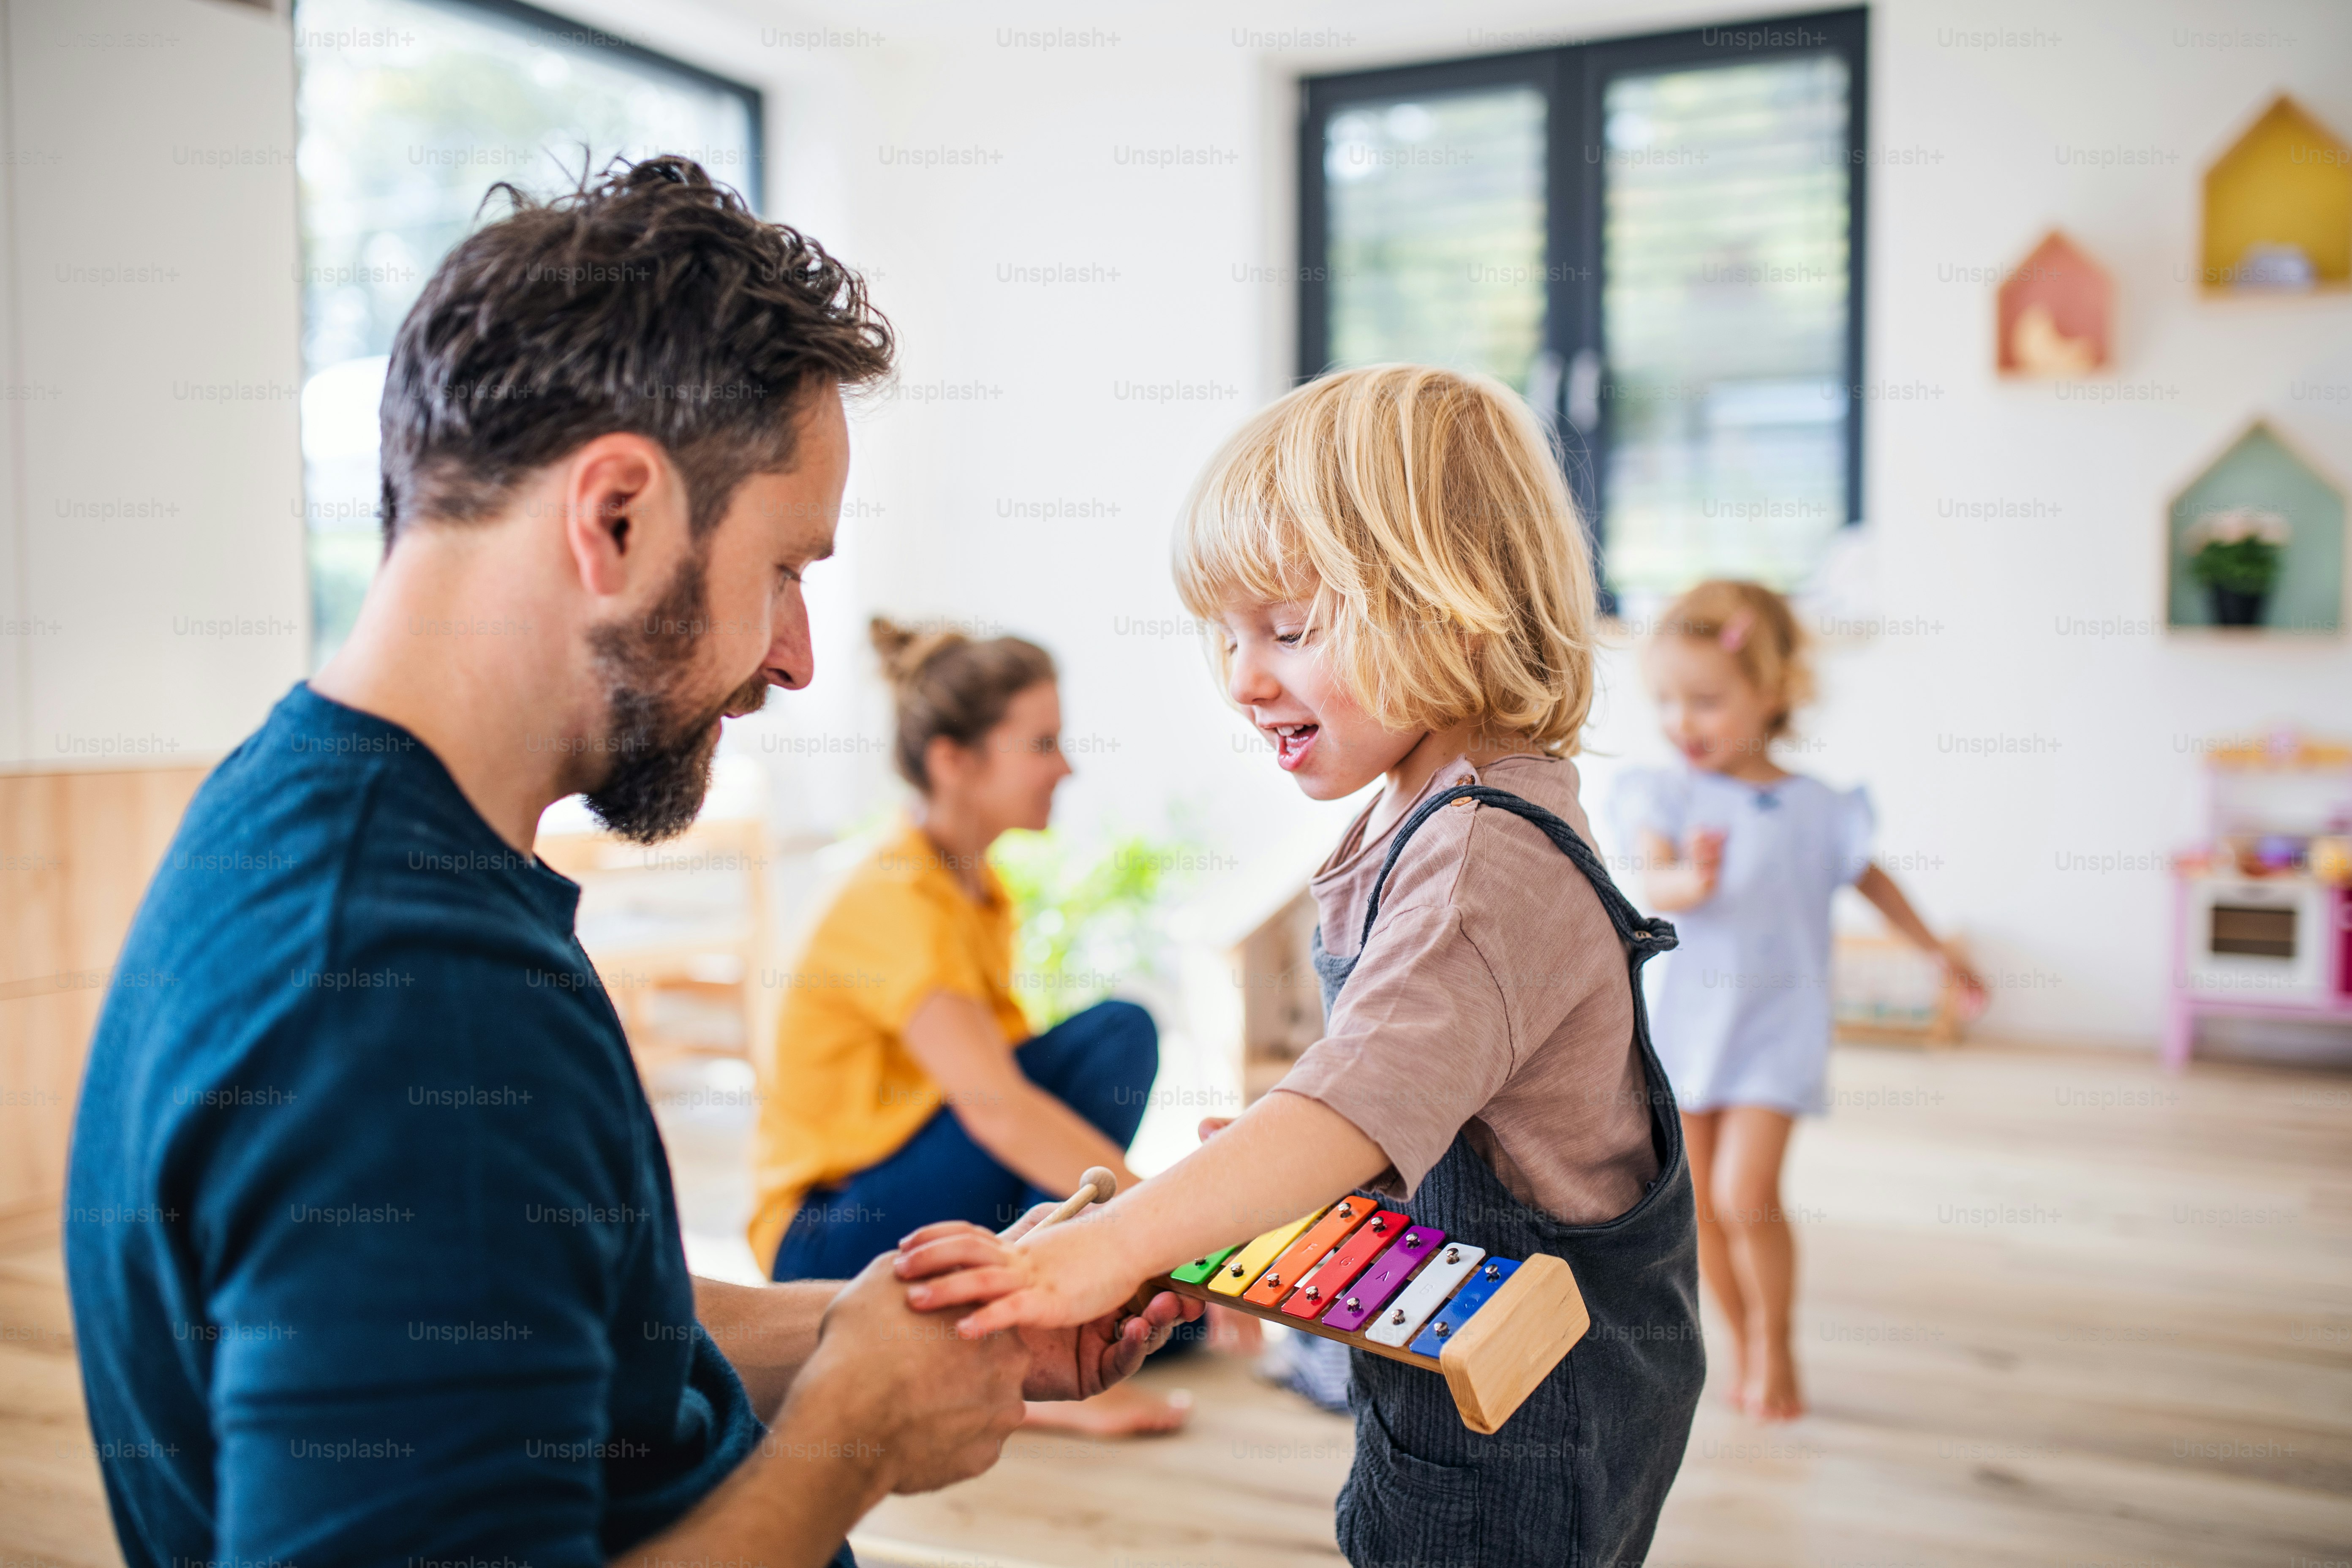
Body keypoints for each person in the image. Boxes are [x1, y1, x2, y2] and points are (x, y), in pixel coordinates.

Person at [62, 157, 1192, 1568]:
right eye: (785, 567)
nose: (795, 654)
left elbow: (582, 1318)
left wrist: (876, 1331)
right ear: (615, 519)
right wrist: (848, 1445)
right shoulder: (408, 1006)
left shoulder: (304, 812)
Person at [891, 365, 1706, 1568]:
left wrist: (1106, 1247)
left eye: (1289, 630)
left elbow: (1354, 1102)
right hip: (1465, 1372)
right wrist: (1283, 1194)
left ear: (1454, 602)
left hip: (1530, 1418)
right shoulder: (1432, 812)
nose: (1243, 678)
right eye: (1227, 635)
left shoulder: (1481, 857)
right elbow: (1418, 1102)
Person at [750, 618, 1187, 1435]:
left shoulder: (975, 887)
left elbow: (1016, 1087)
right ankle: (1017, 1369)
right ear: (955, 761)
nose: (1066, 766)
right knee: (1114, 1037)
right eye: (1042, 744)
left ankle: (1057, 1313)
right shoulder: (893, 897)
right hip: (825, 1241)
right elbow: (1002, 1112)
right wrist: (1171, 1227)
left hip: (906, 1189)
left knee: (1103, 1052)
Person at [1611, 579, 1988, 1422]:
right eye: (1667, 700)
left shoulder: (1819, 807)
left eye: (1705, 700)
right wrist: (1691, 880)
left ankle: (1776, 1339)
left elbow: (1876, 881)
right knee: (1699, 1207)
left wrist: (1936, 952)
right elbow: (1654, 874)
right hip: (1683, 1031)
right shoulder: (1664, 794)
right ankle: (1741, 1346)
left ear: (1773, 692)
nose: (1683, 721)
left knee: (1750, 1196)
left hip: (1774, 1031)